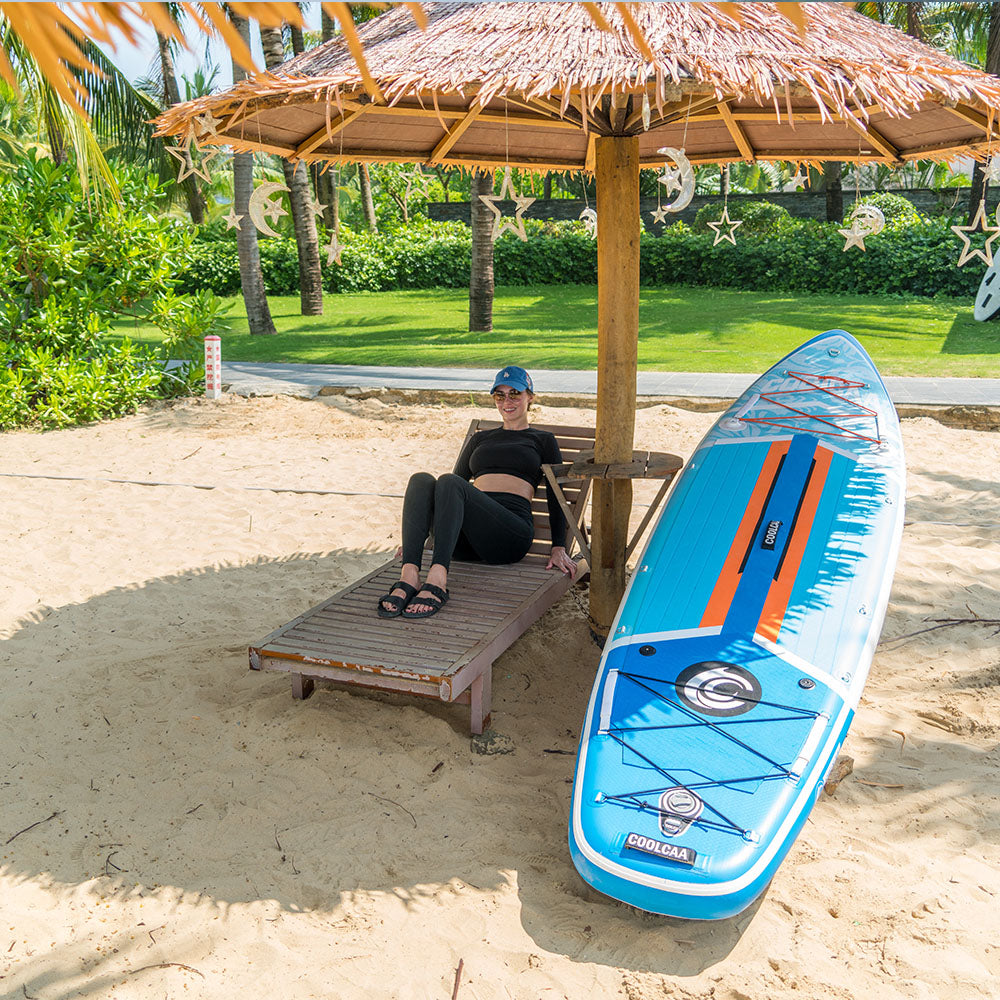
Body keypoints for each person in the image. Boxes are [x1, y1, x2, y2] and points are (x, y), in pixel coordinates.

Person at [377, 365, 576, 620]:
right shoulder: (481, 439)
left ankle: (437, 581)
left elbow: (555, 495)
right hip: (465, 543)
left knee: (449, 482)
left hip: (508, 536)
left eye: (515, 393)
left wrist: (559, 546)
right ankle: (410, 577)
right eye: (500, 395)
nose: (507, 401)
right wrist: (416, 539)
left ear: (530, 397)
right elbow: (448, 493)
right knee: (421, 480)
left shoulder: (543, 440)